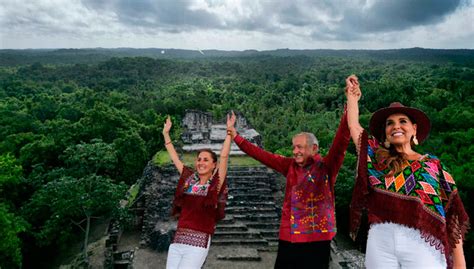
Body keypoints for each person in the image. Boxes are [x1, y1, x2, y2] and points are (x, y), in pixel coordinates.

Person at [345, 75, 469, 269]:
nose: (396, 126)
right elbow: (354, 126)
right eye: (389, 123)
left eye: (403, 121)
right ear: (385, 133)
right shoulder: (378, 158)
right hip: (380, 239)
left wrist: (460, 264)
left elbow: (451, 213)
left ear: (414, 129)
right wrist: (352, 98)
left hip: (423, 242)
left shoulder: (432, 166)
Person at [227, 106, 351, 268]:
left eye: (300, 147)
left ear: (314, 148)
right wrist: (235, 136)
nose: (295, 151)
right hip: (290, 236)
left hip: (318, 239)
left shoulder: (326, 168)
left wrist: (349, 110)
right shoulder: (289, 166)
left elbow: (340, 143)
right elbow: (261, 155)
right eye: (294, 147)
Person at [163, 113, 234, 269]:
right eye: (199, 159)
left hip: (198, 243)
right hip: (178, 241)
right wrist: (166, 134)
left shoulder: (215, 185)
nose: (201, 162)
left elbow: (224, 156)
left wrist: (229, 132)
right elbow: (175, 158)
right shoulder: (189, 179)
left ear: (213, 165)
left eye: (206, 160)